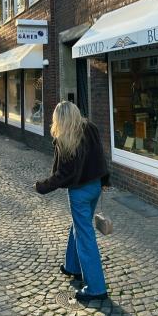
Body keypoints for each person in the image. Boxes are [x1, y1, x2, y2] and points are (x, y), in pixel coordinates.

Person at [34, 101, 109, 303]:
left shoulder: (65, 138)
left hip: (79, 192)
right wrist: (105, 180)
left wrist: (42, 186)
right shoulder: (90, 128)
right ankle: (72, 266)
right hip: (94, 187)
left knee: (85, 235)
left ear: (58, 118)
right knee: (79, 226)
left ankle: (96, 288)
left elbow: (64, 174)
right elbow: (101, 156)